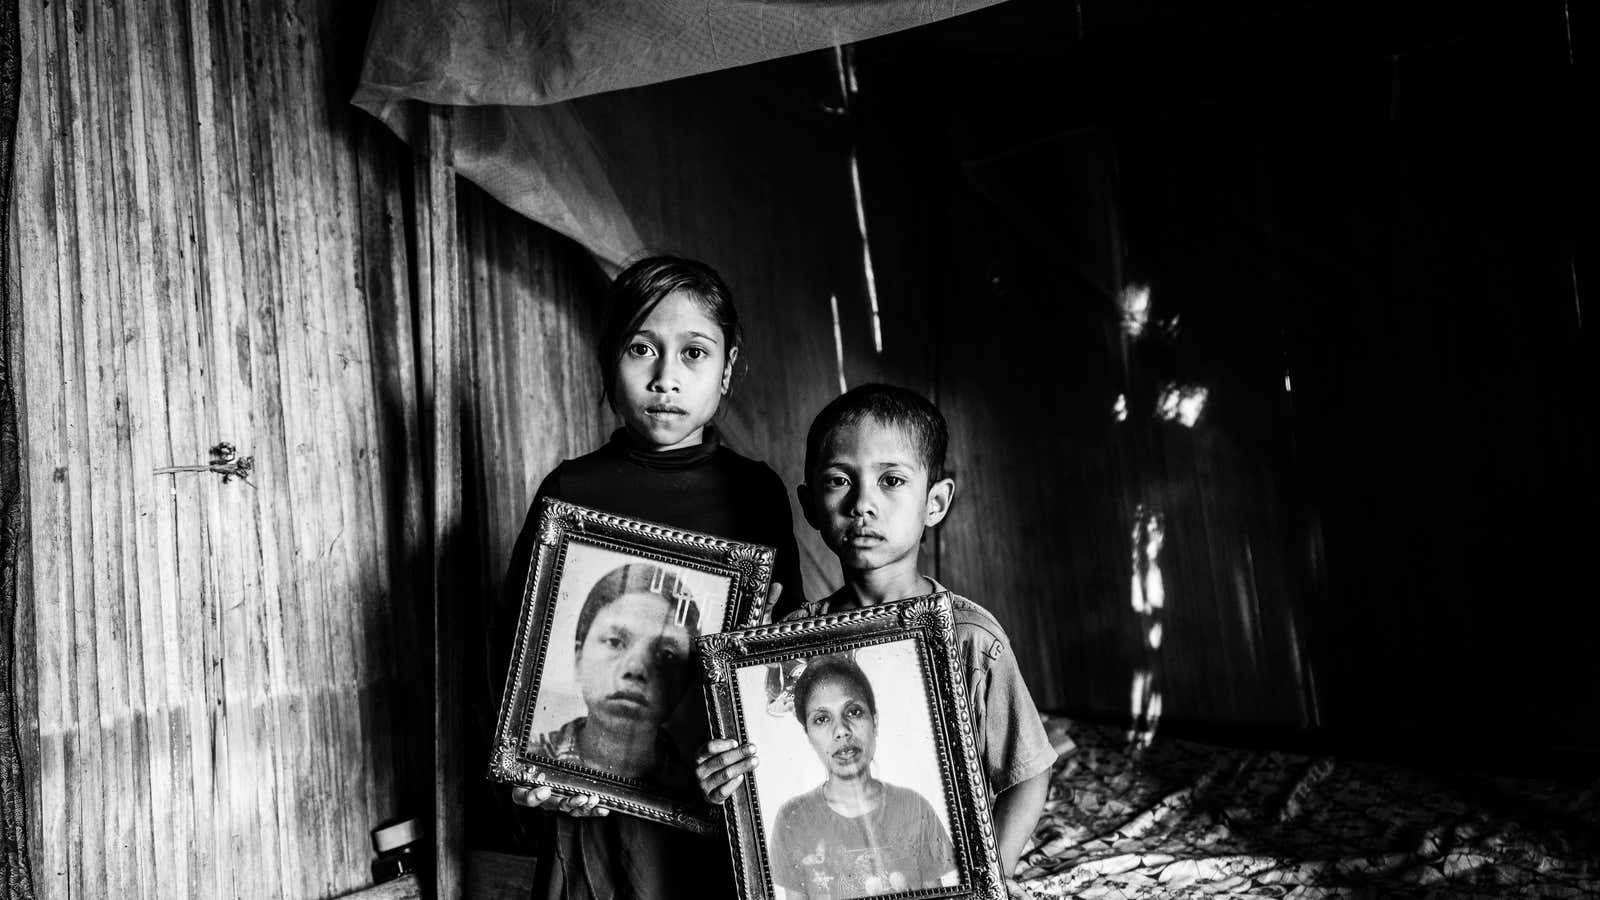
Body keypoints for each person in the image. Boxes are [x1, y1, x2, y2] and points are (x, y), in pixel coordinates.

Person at [498, 255, 806, 900]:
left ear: (727, 370)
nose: (666, 377)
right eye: (642, 348)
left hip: (711, 807)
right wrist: (533, 768)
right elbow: (516, 645)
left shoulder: (753, 494)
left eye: (694, 353)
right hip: (590, 818)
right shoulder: (572, 491)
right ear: (610, 361)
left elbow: (783, 652)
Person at [696, 384, 1058, 884]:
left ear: (935, 502)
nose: (863, 502)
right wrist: (725, 780)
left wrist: (987, 879)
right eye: (840, 480)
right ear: (809, 505)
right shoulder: (788, 647)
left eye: (891, 480)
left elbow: (1029, 772)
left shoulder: (970, 640)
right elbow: (762, 782)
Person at [770, 654, 956, 899]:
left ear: (874, 722)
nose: (841, 731)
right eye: (822, 719)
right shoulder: (792, 820)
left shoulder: (914, 808)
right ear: (808, 735)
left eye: (854, 711)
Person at [529, 563, 702, 790]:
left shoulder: (694, 793)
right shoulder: (527, 763)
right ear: (579, 659)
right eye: (615, 642)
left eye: (667, 655)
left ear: (685, 683)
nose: (636, 669)